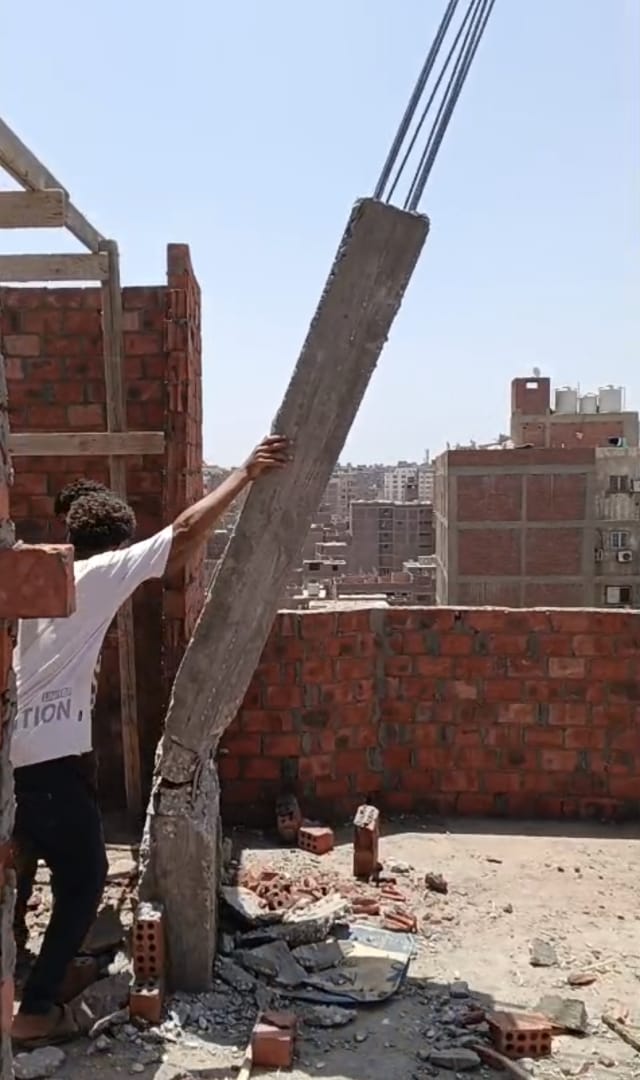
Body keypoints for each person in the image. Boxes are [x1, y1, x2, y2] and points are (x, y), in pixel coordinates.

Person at [10, 435, 289, 1047]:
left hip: (18, 757)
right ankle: (34, 1011)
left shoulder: (33, 583)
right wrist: (243, 475)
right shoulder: (99, 575)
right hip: (48, 761)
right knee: (84, 877)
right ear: (116, 544)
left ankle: (25, 970)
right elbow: (184, 534)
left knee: (24, 867)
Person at [13, 478, 115, 968]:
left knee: (31, 851)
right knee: (67, 865)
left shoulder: (51, 578)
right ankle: (36, 980)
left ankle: (25, 951)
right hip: (43, 749)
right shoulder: (70, 583)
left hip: (45, 742)